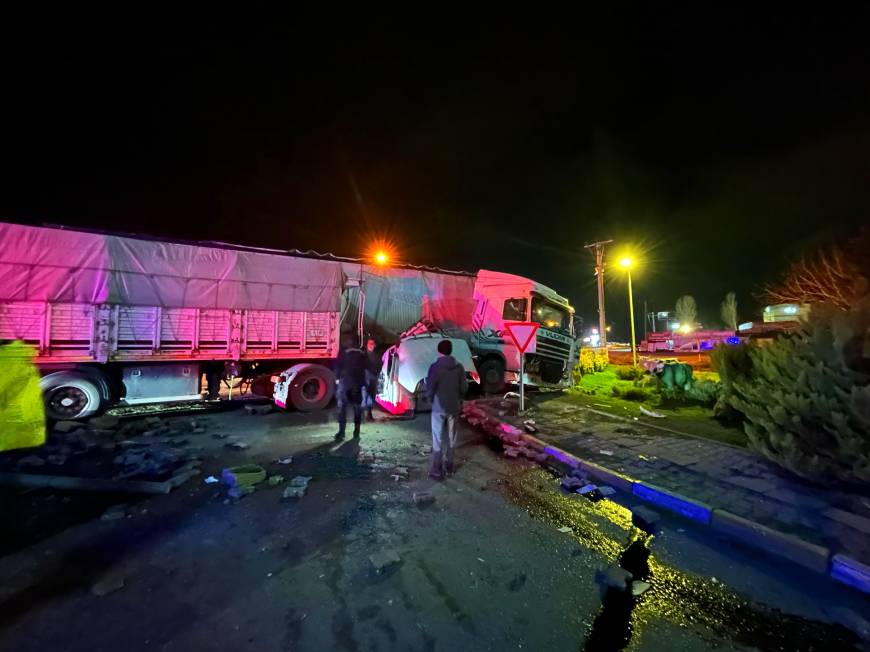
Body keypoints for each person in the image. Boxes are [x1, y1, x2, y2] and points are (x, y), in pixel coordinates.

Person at [426, 339, 468, 480]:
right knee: (452, 436)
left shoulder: (435, 367)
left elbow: (430, 388)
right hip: (453, 407)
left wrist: (431, 399)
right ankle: (449, 465)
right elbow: (464, 388)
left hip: (438, 407)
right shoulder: (459, 367)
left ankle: (437, 468)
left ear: (439, 352)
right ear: (451, 351)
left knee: (437, 437)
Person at [334, 336, 368, 440]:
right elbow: (365, 369)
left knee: (342, 408)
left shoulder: (343, 353)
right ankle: (356, 432)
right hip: (357, 384)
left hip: (345, 384)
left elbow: (337, 367)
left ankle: (341, 432)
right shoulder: (362, 355)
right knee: (357, 408)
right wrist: (363, 384)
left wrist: (337, 378)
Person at [363, 338, 380, 420]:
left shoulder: (377, 354)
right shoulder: (363, 354)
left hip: (374, 377)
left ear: (375, 345)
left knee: (372, 396)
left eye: (372, 343)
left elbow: (379, 364)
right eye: (369, 343)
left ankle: (369, 414)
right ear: (367, 345)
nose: (371, 345)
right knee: (365, 396)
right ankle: (364, 415)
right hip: (366, 377)